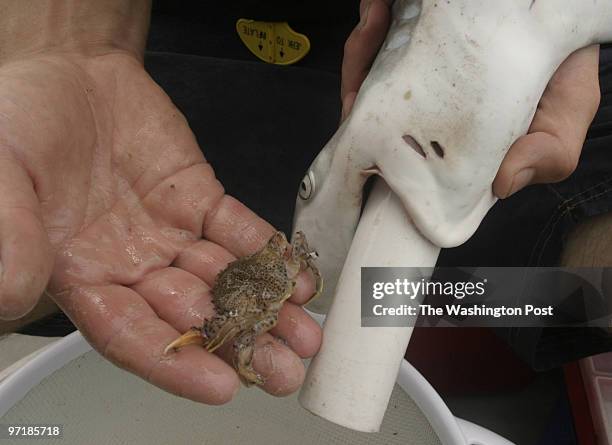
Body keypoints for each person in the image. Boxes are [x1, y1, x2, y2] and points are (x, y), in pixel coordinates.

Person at [0, 0, 606, 404]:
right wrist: (72, 46)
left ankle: (435, 312)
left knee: (591, 294)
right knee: (59, 267)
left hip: (492, 52)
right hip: (186, 36)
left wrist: (546, 18)